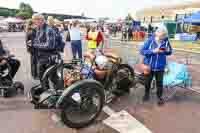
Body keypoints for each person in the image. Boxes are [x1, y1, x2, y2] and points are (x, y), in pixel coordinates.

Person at [140, 25, 173, 106]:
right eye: (162, 36)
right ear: (157, 33)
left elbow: (170, 51)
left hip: (160, 67)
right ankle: (146, 94)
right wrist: (153, 51)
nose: (163, 38)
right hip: (149, 66)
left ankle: (159, 97)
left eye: (164, 36)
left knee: (160, 83)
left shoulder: (166, 41)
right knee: (147, 82)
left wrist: (166, 51)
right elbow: (142, 51)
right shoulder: (150, 40)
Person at [31, 13, 63, 89]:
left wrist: (35, 45)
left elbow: (50, 45)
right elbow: (38, 41)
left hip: (50, 58)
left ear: (40, 20)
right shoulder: (39, 29)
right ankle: (46, 93)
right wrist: (33, 43)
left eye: (35, 21)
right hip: (42, 57)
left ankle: (60, 93)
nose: (34, 23)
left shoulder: (49, 30)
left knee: (53, 78)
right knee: (42, 77)